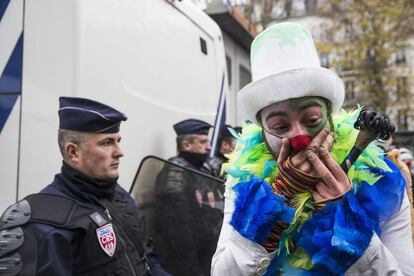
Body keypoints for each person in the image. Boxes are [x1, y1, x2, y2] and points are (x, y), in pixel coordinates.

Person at [211, 22, 414, 275]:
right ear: (262, 132)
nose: (299, 138)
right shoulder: (244, 183)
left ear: (330, 116)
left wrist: (344, 224)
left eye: (312, 120)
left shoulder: (384, 181)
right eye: (279, 125)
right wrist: (270, 209)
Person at [0, 97, 169, 275]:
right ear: (73, 152)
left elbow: (143, 260)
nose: (119, 152)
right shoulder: (44, 224)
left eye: (118, 141)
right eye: (107, 143)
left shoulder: (119, 197)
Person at [153, 119, 224, 276]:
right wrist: (193, 271)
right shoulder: (175, 174)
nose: (209, 147)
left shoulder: (201, 168)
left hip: (208, 250)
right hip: (189, 259)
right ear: (186, 146)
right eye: (203, 142)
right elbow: (178, 231)